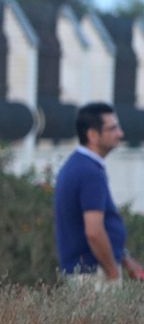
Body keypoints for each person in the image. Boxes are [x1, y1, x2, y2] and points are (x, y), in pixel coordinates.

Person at [54, 102, 144, 283]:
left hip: (89, 271)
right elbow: (94, 231)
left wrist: (124, 258)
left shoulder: (80, 165)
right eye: (112, 129)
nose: (120, 134)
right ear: (93, 135)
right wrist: (112, 271)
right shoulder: (89, 172)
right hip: (93, 274)